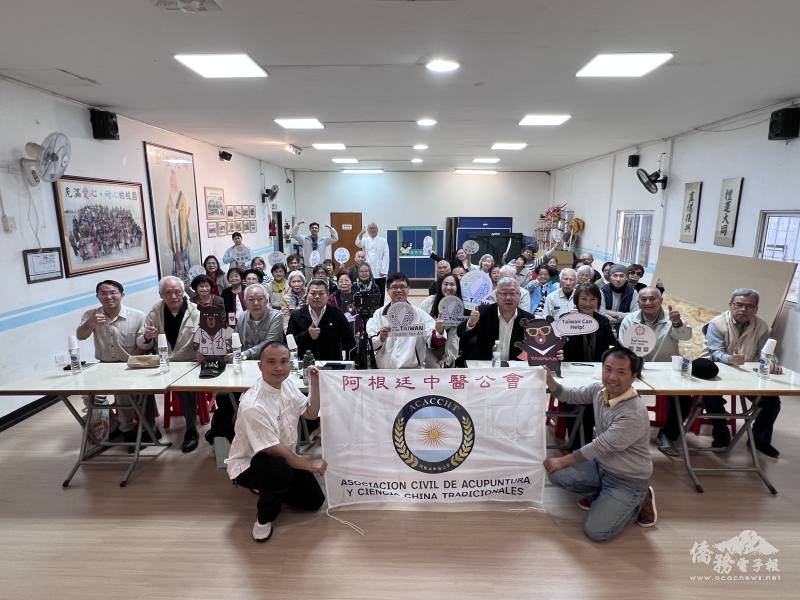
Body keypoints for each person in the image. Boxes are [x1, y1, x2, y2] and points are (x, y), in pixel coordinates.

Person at [543, 347, 657, 542]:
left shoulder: (633, 413)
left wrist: (562, 460)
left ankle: (639, 499)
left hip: (627, 479)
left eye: (621, 372)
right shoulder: (599, 390)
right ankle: (603, 497)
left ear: (633, 377)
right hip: (601, 467)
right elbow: (570, 395)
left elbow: (600, 446)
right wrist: (551, 382)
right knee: (557, 475)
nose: (612, 377)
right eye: (608, 369)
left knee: (596, 532)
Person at [226, 342, 325, 543]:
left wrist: (315, 385)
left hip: (284, 458)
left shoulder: (287, 384)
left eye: (284, 361)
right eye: (271, 362)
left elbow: (310, 413)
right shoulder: (253, 405)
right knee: (277, 469)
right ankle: (264, 518)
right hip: (250, 463)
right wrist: (310, 465)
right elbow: (275, 450)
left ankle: (271, 487)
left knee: (314, 501)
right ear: (260, 366)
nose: (278, 367)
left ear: (290, 363)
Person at [700, 288, 781, 458]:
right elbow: (715, 351)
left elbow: (766, 353)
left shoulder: (761, 327)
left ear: (756, 309)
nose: (743, 309)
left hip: (746, 373)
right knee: (710, 396)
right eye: (739, 305)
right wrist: (730, 359)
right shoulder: (716, 323)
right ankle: (721, 433)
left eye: (749, 306)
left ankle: (759, 440)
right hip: (716, 370)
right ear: (731, 305)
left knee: (771, 400)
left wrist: (772, 363)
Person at [76, 280, 157, 445]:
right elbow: (80, 336)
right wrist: (90, 324)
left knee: (123, 394)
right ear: (97, 296)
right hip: (103, 366)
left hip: (129, 365)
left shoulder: (137, 315)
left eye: (113, 292)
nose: (109, 297)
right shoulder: (91, 315)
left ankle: (128, 429)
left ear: (122, 295)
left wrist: (146, 339)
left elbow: (143, 345)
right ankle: (112, 424)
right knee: (90, 396)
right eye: (103, 293)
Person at [205, 285, 284, 445]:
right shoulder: (240, 316)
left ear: (267, 300)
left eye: (260, 299)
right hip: (243, 369)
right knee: (223, 397)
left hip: (269, 369)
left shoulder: (276, 316)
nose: (256, 303)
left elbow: (270, 343)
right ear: (245, 302)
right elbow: (229, 338)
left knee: (252, 398)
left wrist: (243, 354)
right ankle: (227, 435)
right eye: (251, 299)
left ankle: (225, 434)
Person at [619, 287, 693, 456]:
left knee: (684, 400)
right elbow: (624, 346)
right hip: (636, 370)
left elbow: (685, 336)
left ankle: (668, 435)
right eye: (643, 299)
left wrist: (677, 323)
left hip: (666, 372)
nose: (648, 302)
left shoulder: (672, 318)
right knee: (621, 396)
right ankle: (626, 434)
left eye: (652, 298)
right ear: (638, 302)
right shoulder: (630, 320)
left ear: (661, 300)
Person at [136, 276, 201, 452]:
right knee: (142, 387)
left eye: (177, 292)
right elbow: (141, 343)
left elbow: (206, 340)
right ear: (161, 295)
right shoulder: (155, 312)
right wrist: (147, 337)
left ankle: (191, 430)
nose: (173, 296)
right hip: (162, 363)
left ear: (184, 293)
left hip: (187, 363)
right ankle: (150, 428)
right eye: (168, 292)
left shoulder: (196, 312)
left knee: (186, 389)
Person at [561, 284, 619, 449]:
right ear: (576, 301)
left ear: (598, 302)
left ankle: (587, 444)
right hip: (571, 374)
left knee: (598, 401)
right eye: (584, 299)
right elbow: (562, 348)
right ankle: (578, 446)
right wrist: (572, 324)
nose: (588, 303)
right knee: (577, 402)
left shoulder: (603, 321)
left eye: (593, 299)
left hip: (596, 374)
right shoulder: (566, 319)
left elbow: (613, 346)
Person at [366, 273, 445, 369]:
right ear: (387, 290)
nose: (399, 290)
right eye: (394, 287)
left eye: (402, 287)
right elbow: (369, 344)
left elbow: (435, 341)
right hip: (385, 371)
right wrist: (380, 338)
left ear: (408, 289)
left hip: (413, 371)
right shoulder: (378, 315)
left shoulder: (420, 314)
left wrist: (439, 332)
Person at [457, 277, 533, 362]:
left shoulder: (528, 319)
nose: (508, 298)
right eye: (504, 293)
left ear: (519, 296)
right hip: (485, 365)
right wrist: (471, 324)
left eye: (512, 293)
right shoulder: (482, 313)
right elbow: (462, 336)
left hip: (515, 367)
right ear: (496, 295)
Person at [287, 279, 356, 361]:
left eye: (321, 293)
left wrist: (347, 362)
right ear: (307, 294)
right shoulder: (296, 315)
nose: (317, 296)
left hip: (332, 364)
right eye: (313, 293)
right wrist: (307, 334)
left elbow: (349, 340)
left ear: (328, 295)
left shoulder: (337, 313)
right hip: (304, 363)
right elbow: (289, 343)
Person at [422, 274, 468, 368]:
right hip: (429, 352)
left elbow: (460, 331)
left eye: (452, 284)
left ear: (457, 287)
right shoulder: (429, 302)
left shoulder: (462, 305)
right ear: (440, 285)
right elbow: (422, 327)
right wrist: (437, 330)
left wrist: (470, 324)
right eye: (445, 284)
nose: (448, 287)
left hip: (450, 353)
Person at [356, 222, 390, 305]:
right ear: (368, 230)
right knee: (368, 291)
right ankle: (368, 308)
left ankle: (380, 307)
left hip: (380, 271)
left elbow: (386, 255)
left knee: (380, 292)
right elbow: (358, 243)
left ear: (377, 230)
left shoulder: (383, 241)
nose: (372, 230)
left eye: (374, 228)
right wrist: (361, 233)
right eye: (370, 228)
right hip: (367, 271)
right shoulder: (365, 240)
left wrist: (384, 270)